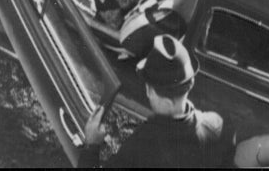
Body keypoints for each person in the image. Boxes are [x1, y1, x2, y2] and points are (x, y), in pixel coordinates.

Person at [79, 34, 236, 168]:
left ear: (161, 98)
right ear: (190, 84)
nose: (147, 93)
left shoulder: (141, 146)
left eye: (149, 88)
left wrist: (91, 146)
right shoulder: (218, 126)